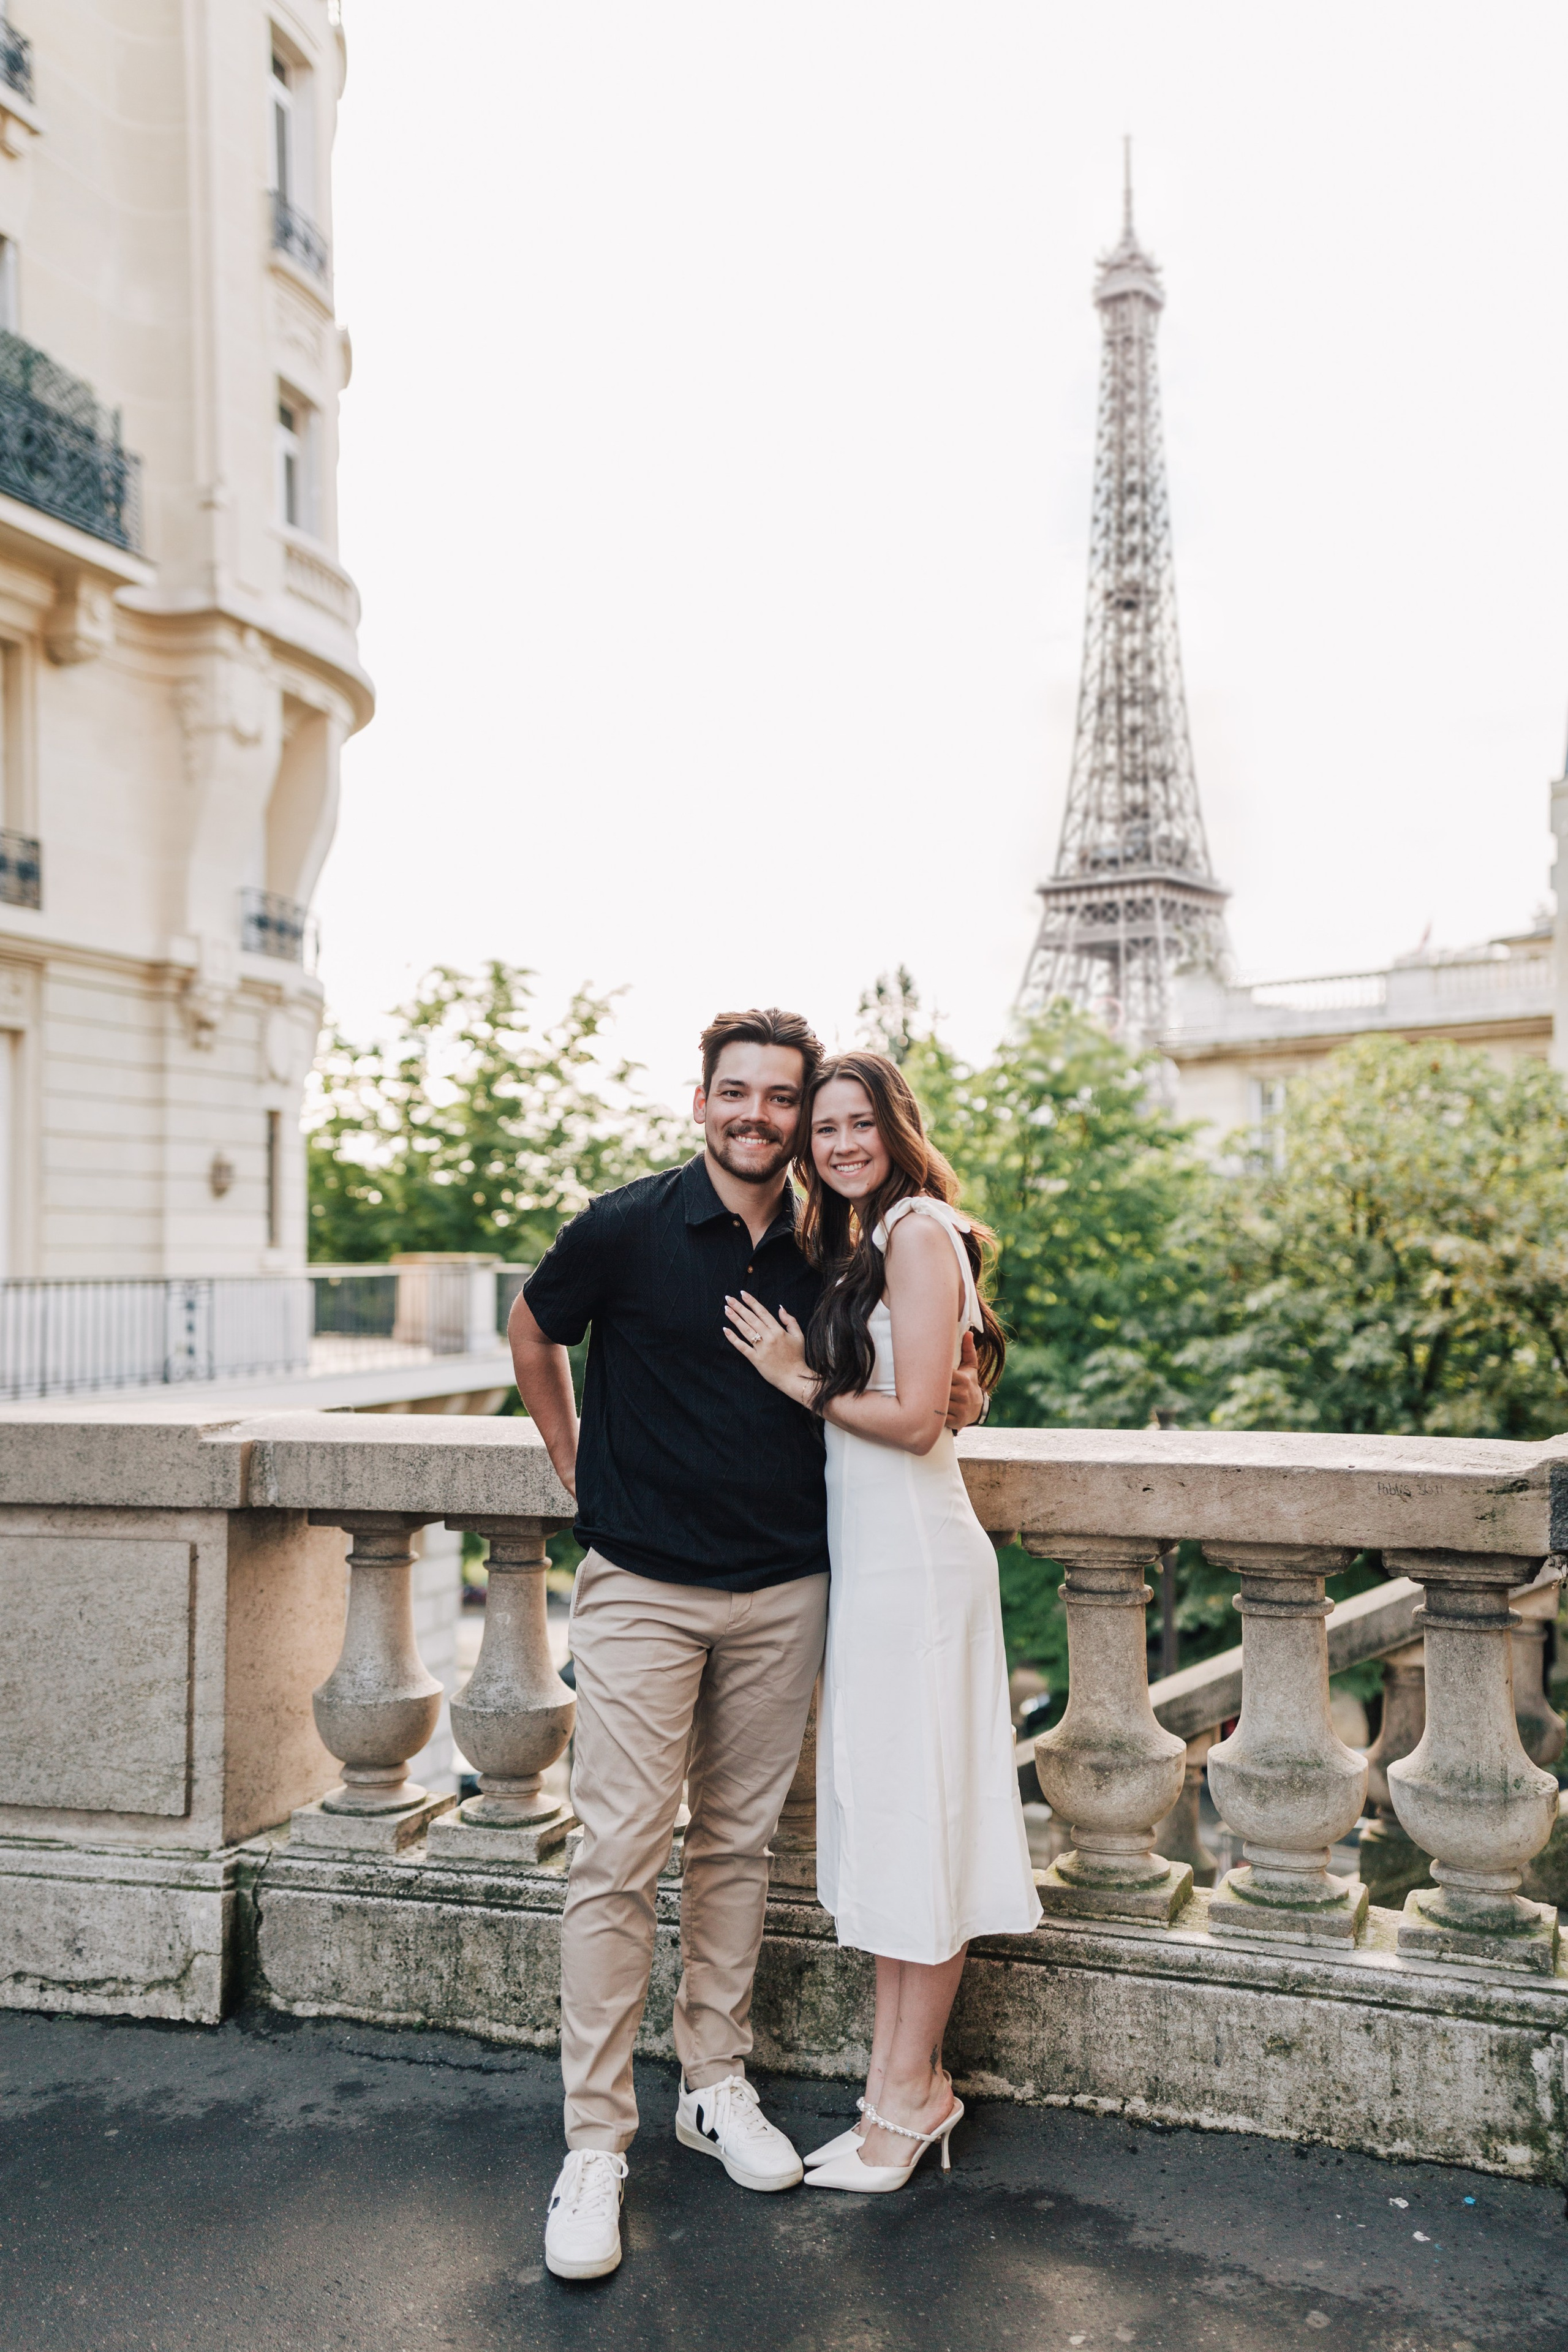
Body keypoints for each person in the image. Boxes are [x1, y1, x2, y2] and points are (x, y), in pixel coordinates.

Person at [510, 1009, 986, 2280]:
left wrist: (958, 1386)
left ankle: (712, 2082)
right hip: (644, 1586)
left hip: (786, 1589)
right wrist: (569, 1457)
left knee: (737, 1847)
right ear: (702, 1101)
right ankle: (594, 2143)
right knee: (616, 1855)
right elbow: (532, 1328)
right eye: (741, 1094)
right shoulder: (626, 1225)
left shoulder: (838, 1243)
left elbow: (925, 1375)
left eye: (786, 1100)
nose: (762, 1118)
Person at [723, 1050, 1041, 2193]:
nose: (841, 1143)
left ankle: (910, 2101)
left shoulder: (913, 1230)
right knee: (906, 1829)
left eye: (860, 1123)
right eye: (825, 1129)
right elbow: (947, 1393)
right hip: (880, 1569)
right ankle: (898, 2090)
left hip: (917, 1568)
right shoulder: (873, 1240)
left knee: (926, 1830)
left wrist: (791, 1373)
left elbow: (911, 1425)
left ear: (896, 1128)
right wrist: (965, 1391)